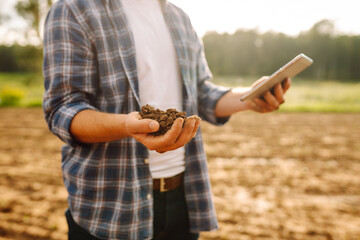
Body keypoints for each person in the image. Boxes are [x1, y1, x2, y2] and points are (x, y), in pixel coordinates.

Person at [42, 0, 290, 239]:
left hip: (183, 199)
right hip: (111, 206)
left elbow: (200, 91)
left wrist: (249, 98)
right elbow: (64, 108)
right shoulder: (73, 10)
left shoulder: (180, 18)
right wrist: (128, 126)